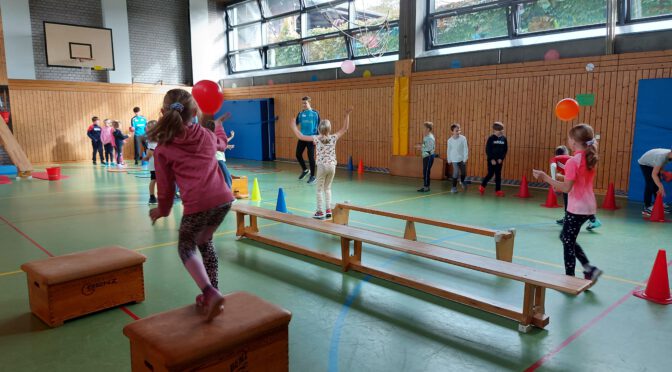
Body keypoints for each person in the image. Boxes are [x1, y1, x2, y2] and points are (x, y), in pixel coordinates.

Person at [147, 89, 234, 321]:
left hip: (199, 205)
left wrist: (162, 210)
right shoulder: (206, 135)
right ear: (194, 112)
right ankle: (213, 292)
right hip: (224, 199)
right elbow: (222, 145)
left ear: (163, 112)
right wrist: (219, 125)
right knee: (204, 241)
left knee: (185, 248)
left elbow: (165, 189)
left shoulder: (164, 148)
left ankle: (209, 292)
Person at [533, 124, 603, 283]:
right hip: (589, 207)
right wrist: (560, 177)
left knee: (567, 240)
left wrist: (545, 177)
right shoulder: (589, 157)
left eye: (569, 138)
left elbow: (566, 188)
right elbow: (578, 181)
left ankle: (572, 276)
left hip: (576, 208)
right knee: (567, 238)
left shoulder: (573, 161)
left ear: (573, 142)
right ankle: (588, 268)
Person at [291, 107, 352, 219]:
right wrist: (346, 115)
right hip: (332, 166)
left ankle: (319, 212)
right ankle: (328, 210)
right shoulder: (334, 137)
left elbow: (301, 136)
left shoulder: (316, 138)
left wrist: (294, 126)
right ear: (329, 129)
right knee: (327, 188)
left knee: (319, 189)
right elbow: (345, 129)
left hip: (322, 167)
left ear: (319, 129)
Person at [551, 145, 602, 230]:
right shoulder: (570, 159)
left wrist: (555, 182)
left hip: (574, 186)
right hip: (573, 185)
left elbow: (558, 171)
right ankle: (568, 218)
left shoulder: (561, 160)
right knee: (570, 202)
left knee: (578, 204)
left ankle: (593, 220)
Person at [637, 147, 672, 216]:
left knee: (657, 184)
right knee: (650, 183)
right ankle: (647, 206)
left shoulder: (669, 156)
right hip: (645, 164)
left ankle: (658, 204)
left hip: (653, 162)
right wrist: (661, 186)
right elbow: (654, 174)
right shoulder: (661, 157)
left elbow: (661, 164)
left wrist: (662, 172)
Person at [203, 118, 235, 189]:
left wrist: (230, 139)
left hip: (215, 160)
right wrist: (227, 146)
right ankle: (228, 193)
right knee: (227, 177)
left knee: (217, 178)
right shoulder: (213, 135)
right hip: (218, 160)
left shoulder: (210, 135)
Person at [295, 96, 320, 184]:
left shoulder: (315, 113)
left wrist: (316, 138)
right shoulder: (301, 113)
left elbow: (318, 126)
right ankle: (305, 170)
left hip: (311, 138)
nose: (303, 105)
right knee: (298, 154)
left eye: (305, 103)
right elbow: (296, 123)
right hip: (302, 137)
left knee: (311, 157)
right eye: (302, 103)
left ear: (309, 103)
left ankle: (313, 176)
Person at [479, 122, 507, 196]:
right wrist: (491, 159)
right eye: (499, 130)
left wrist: (501, 158)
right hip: (491, 161)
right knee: (490, 174)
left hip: (499, 161)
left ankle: (498, 190)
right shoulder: (491, 138)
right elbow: (488, 149)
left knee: (498, 175)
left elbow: (505, 150)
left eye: (501, 130)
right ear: (494, 130)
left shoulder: (504, 139)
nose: (501, 131)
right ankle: (482, 185)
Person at [446, 123, 468, 193]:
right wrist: (449, 159)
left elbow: (465, 148)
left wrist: (465, 158)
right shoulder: (449, 140)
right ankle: (454, 187)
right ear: (452, 131)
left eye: (459, 130)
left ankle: (462, 181)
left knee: (464, 172)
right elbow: (448, 150)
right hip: (454, 159)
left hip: (461, 159)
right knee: (456, 172)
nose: (458, 132)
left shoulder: (463, 138)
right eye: (456, 130)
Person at [417, 122, 436, 192]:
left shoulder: (430, 137)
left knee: (426, 171)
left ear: (428, 129)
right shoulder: (425, 136)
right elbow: (425, 145)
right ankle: (426, 186)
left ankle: (426, 187)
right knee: (425, 171)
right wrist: (421, 146)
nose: (423, 129)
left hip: (429, 157)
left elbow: (430, 149)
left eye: (424, 128)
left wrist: (421, 148)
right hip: (425, 156)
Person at [143, 120, 158, 204]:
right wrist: (147, 156)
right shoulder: (154, 138)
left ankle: (152, 196)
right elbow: (151, 151)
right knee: (155, 180)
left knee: (154, 179)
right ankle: (153, 196)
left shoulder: (152, 138)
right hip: (156, 163)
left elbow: (150, 151)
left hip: (156, 163)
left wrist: (146, 157)